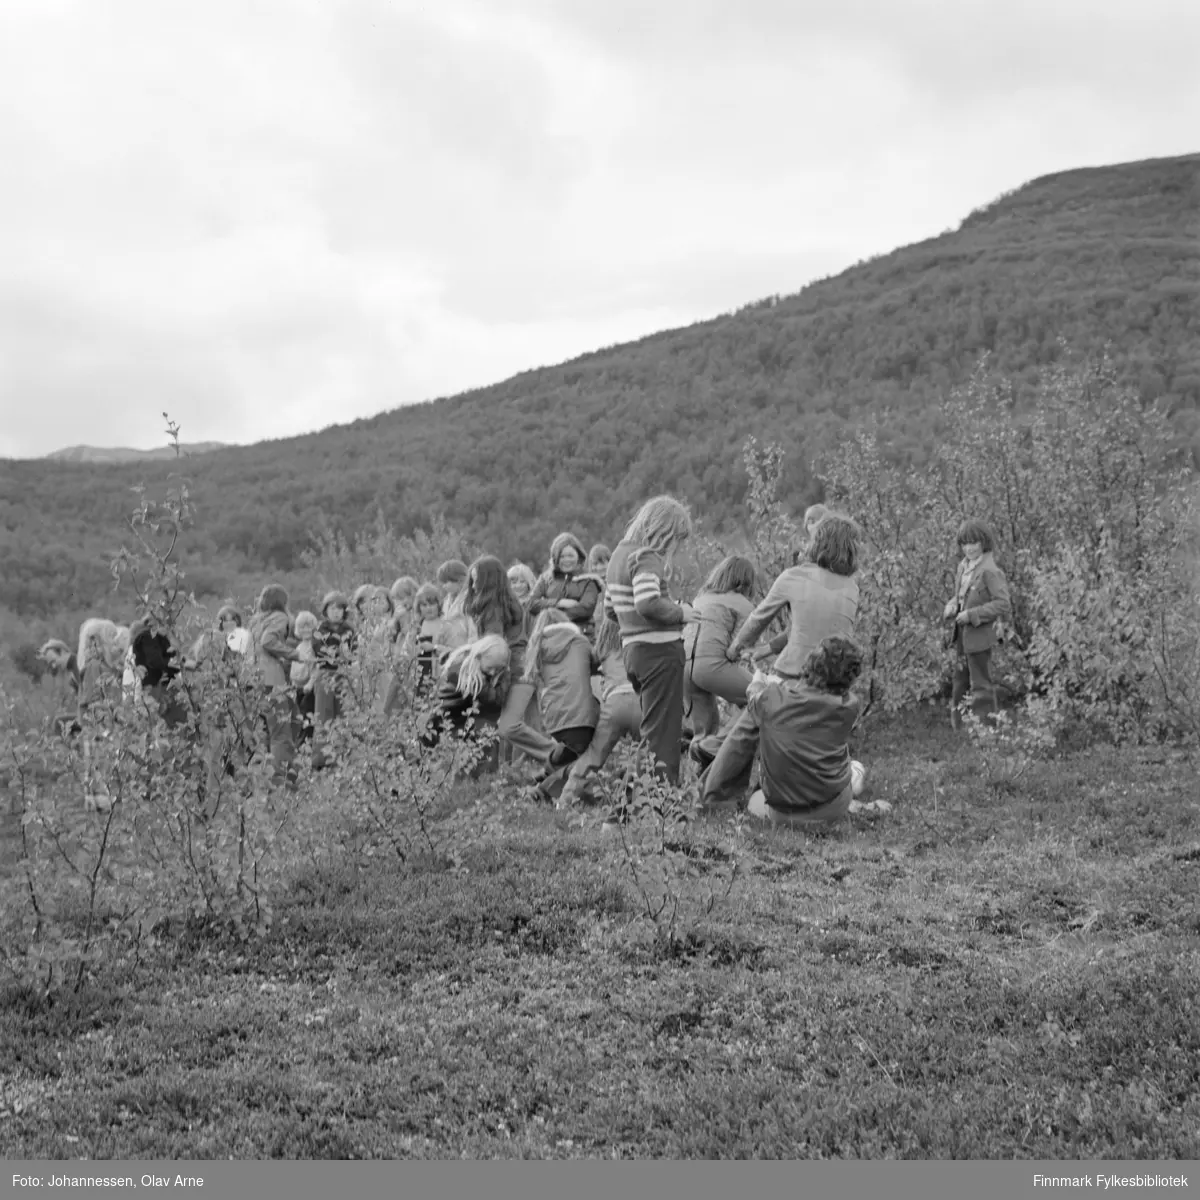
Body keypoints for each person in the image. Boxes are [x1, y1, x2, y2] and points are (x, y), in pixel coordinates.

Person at [694, 515, 860, 809]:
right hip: (833, 682)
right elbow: (810, 629)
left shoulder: (794, 576)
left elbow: (758, 619)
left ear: (818, 543)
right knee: (810, 741)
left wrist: (735, 650)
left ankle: (714, 794)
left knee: (747, 730)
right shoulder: (851, 588)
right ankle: (808, 794)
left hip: (792, 675)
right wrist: (765, 650)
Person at [605, 495, 699, 785]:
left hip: (633, 652)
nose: (676, 548)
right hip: (658, 654)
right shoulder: (646, 556)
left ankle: (626, 804)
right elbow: (647, 602)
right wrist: (681, 612)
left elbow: (610, 609)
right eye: (677, 539)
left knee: (652, 731)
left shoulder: (618, 556)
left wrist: (631, 622)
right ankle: (661, 806)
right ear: (665, 531)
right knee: (665, 736)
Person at [739, 636, 867, 827]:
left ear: (810, 665)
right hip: (834, 807)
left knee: (755, 802)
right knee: (856, 768)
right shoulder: (850, 706)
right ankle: (849, 799)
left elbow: (755, 700)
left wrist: (758, 682)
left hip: (781, 812)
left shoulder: (771, 698)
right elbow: (812, 700)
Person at [462, 555, 558, 766]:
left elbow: (494, 646)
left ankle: (559, 756)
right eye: (472, 580)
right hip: (527, 667)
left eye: (477, 580)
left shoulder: (493, 608)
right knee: (533, 727)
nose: (474, 585)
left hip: (516, 671)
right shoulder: (507, 603)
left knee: (509, 726)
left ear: (488, 581)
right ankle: (541, 771)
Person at [557, 617, 642, 809]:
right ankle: (642, 801)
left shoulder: (604, 650)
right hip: (641, 703)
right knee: (646, 755)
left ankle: (566, 800)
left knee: (593, 755)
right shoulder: (636, 644)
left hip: (614, 705)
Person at [522, 610, 601, 796]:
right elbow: (596, 663)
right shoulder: (579, 642)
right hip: (581, 712)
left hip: (553, 716)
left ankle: (548, 770)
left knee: (573, 748)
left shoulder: (538, 647)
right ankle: (543, 790)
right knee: (585, 760)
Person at [943, 519, 1013, 728]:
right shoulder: (963, 566)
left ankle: (987, 730)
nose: (969, 548)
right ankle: (959, 728)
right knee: (960, 681)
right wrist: (952, 605)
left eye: (973, 543)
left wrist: (972, 614)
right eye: (965, 544)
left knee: (981, 683)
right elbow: (961, 597)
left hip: (979, 636)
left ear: (984, 542)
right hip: (962, 635)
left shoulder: (990, 570)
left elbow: (1003, 604)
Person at [683, 555, 757, 739]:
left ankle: (703, 761)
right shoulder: (743, 605)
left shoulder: (701, 598)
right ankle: (723, 742)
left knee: (704, 730)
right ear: (747, 582)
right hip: (710, 665)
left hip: (683, 666)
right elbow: (738, 647)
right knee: (761, 695)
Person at [420, 634, 511, 775]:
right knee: (485, 731)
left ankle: (476, 776)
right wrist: (505, 678)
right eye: (491, 668)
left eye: (498, 670)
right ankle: (479, 776)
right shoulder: (470, 677)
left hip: (453, 718)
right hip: (450, 721)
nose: (493, 673)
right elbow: (494, 700)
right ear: (479, 657)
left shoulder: (469, 663)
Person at [248, 585, 301, 782]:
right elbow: (267, 641)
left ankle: (261, 774)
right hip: (271, 679)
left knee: (263, 731)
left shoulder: (255, 620)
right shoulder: (280, 618)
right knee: (281, 730)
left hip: (251, 679)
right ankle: (282, 776)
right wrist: (295, 654)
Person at [311, 591, 356, 769]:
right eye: (332, 608)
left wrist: (343, 655)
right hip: (326, 674)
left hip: (345, 675)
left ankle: (343, 756)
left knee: (343, 714)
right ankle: (320, 759)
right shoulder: (320, 630)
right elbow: (320, 651)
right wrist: (340, 653)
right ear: (326, 610)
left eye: (340, 608)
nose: (336, 612)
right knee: (323, 715)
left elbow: (354, 652)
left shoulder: (350, 630)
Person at [526, 532, 604, 638]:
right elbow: (531, 604)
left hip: (580, 636)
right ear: (555, 558)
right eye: (562, 556)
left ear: (579, 556)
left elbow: (585, 610)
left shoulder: (589, 580)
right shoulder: (546, 579)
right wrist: (559, 603)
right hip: (549, 636)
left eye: (570, 555)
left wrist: (550, 615)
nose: (567, 560)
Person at [291, 610, 319, 744]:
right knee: (300, 717)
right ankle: (302, 745)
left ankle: (305, 744)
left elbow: (316, 668)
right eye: (302, 627)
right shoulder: (299, 647)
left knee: (307, 716)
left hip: (309, 688)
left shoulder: (314, 646)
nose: (306, 629)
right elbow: (295, 668)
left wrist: (311, 683)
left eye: (309, 626)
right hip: (298, 687)